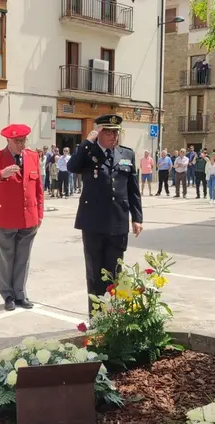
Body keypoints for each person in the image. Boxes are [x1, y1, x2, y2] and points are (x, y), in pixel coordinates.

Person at [67, 114, 143, 313]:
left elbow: (132, 189)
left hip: (118, 222)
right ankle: (97, 318)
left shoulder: (126, 155)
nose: (113, 136)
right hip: (93, 223)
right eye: (108, 131)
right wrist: (87, 141)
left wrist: (137, 217)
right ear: (99, 132)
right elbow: (72, 166)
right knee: (94, 274)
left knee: (115, 273)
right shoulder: (88, 153)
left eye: (116, 132)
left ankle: (113, 317)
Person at [0, 124, 43, 311]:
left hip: (28, 217)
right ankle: (8, 295)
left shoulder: (32, 156)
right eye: (17, 141)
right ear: (8, 141)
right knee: (7, 258)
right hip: (6, 217)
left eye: (23, 140)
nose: (21, 144)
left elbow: (38, 187)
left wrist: (39, 213)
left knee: (23, 257)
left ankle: (20, 294)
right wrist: (0, 174)